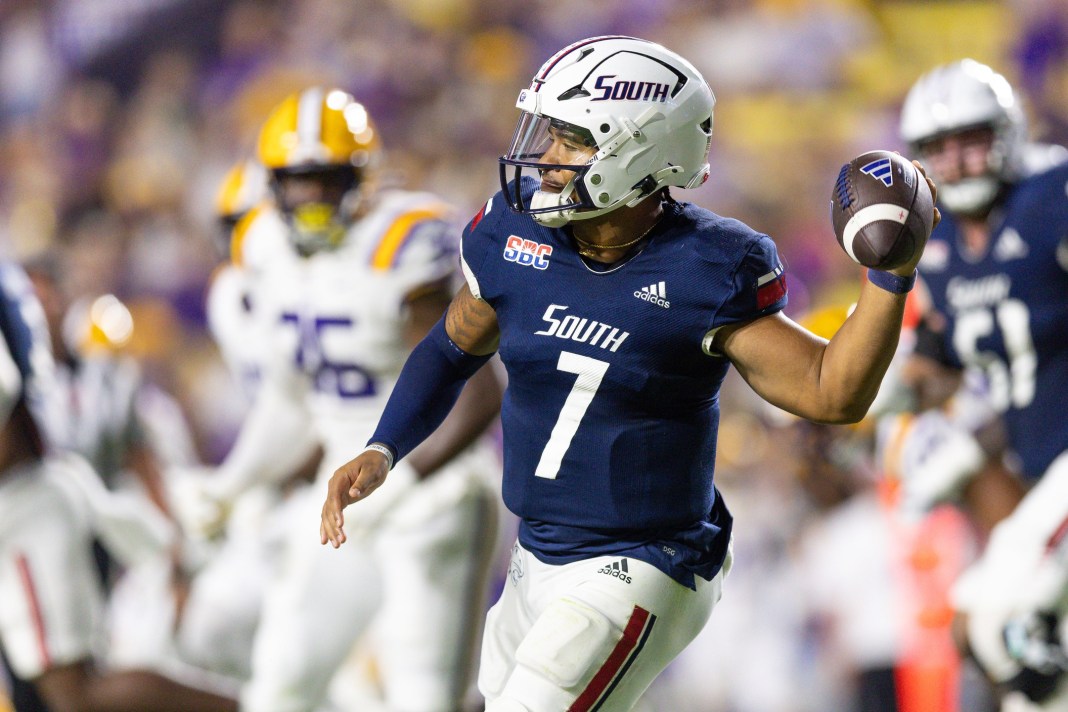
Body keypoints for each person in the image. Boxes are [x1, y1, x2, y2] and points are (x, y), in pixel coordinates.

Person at [321, 35, 938, 712]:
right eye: (549, 135)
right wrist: (385, 447)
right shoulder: (512, 236)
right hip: (536, 557)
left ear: (638, 150)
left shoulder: (707, 266)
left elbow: (829, 390)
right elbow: (449, 349)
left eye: (570, 140)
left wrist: (889, 276)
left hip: (643, 563)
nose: (547, 159)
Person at [192, 87, 504, 712]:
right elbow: (291, 403)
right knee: (280, 682)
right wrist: (232, 484)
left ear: (359, 177)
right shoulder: (264, 248)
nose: (309, 200)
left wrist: (407, 483)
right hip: (340, 494)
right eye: (296, 182)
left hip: (431, 492)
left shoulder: (402, 242)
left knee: (421, 695)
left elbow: (471, 387)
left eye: (324, 180)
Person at [899, 58, 1068, 707]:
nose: (958, 161)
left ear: (1008, 133)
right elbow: (936, 363)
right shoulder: (939, 247)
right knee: (979, 631)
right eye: (937, 148)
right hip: (1040, 472)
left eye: (970, 139)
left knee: (1010, 626)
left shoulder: (1051, 197)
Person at [0, 260, 237, 712]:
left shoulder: (105, 375)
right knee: (40, 693)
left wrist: (175, 555)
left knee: (75, 693)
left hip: (30, 507)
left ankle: (241, 705)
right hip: (45, 504)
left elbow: (6, 427)